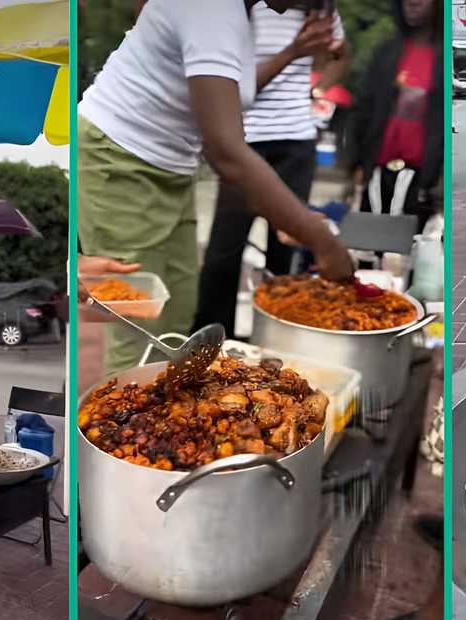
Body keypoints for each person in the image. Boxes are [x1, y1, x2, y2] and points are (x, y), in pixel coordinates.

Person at [78, 0, 356, 375]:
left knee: (176, 315)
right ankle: (118, 427)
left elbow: (224, 127)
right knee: (141, 330)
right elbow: (227, 152)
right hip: (121, 165)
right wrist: (322, 240)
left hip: (170, 170)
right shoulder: (211, 8)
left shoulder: (238, 14)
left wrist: (280, 210)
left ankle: (164, 416)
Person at [193, 3, 351, 338]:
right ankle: (212, 344)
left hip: (297, 141)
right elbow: (238, 90)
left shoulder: (319, 11)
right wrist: (295, 51)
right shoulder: (241, 11)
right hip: (243, 143)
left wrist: (318, 90)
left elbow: (341, 55)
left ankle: (277, 342)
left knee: (286, 253)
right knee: (225, 250)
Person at [346, 0, 445, 235]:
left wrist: (438, 181)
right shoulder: (386, 52)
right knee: (369, 248)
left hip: (421, 181)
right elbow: (364, 110)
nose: (412, 3)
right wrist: (355, 164)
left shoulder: (442, 57)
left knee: (409, 254)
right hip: (378, 173)